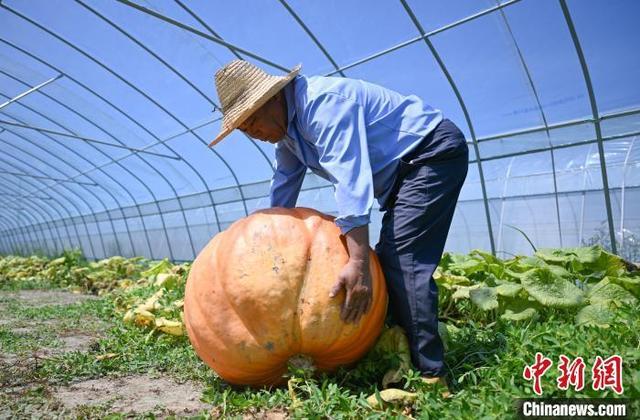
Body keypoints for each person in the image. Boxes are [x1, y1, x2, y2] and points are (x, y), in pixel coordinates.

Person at [209, 60, 468, 389]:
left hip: (430, 154)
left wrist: (358, 262)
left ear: (271, 99)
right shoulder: (287, 136)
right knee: (391, 260)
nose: (253, 133)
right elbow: (283, 189)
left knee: (405, 263)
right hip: (404, 173)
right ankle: (395, 349)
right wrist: (252, 247)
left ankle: (432, 376)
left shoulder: (323, 105)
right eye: (244, 129)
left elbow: (350, 178)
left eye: (252, 120)